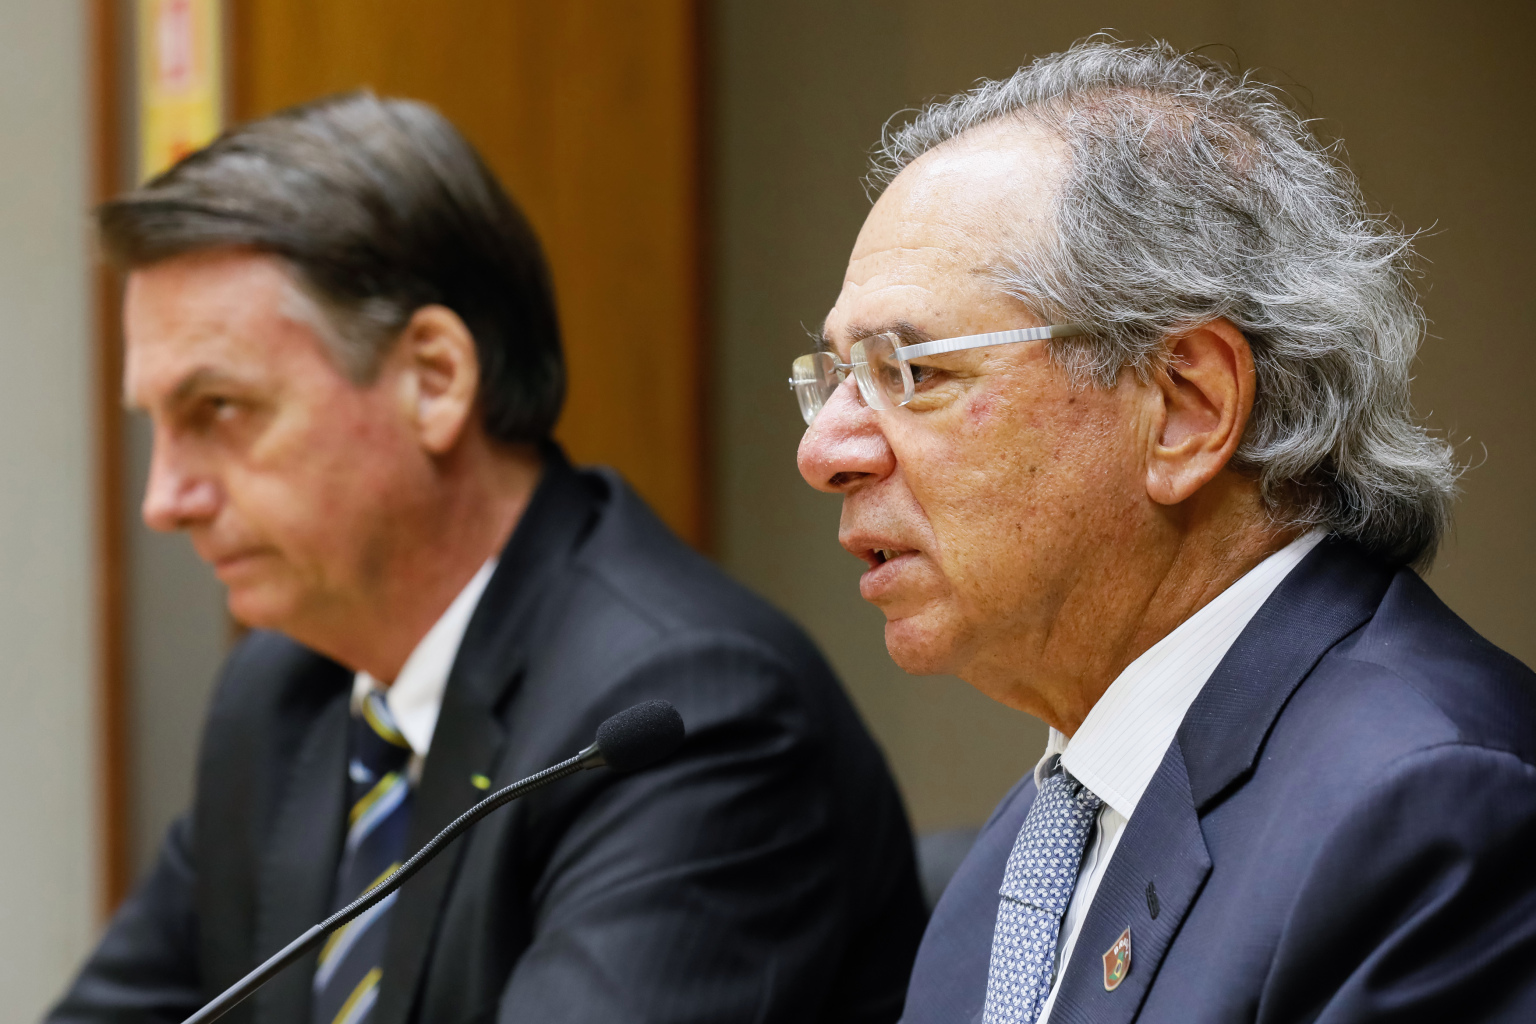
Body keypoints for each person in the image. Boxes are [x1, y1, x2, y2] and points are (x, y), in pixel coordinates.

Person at [50, 92, 925, 1024]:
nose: (164, 500)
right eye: (157, 429)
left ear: (434, 379)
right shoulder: (280, 695)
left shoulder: (682, 713)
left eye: (218, 410)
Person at [793, 38, 1536, 1024]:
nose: (824, 450)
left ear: (1187, 407)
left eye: (913, 372)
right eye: (837, 378)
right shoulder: (1007, 877)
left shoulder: (1428, 809)